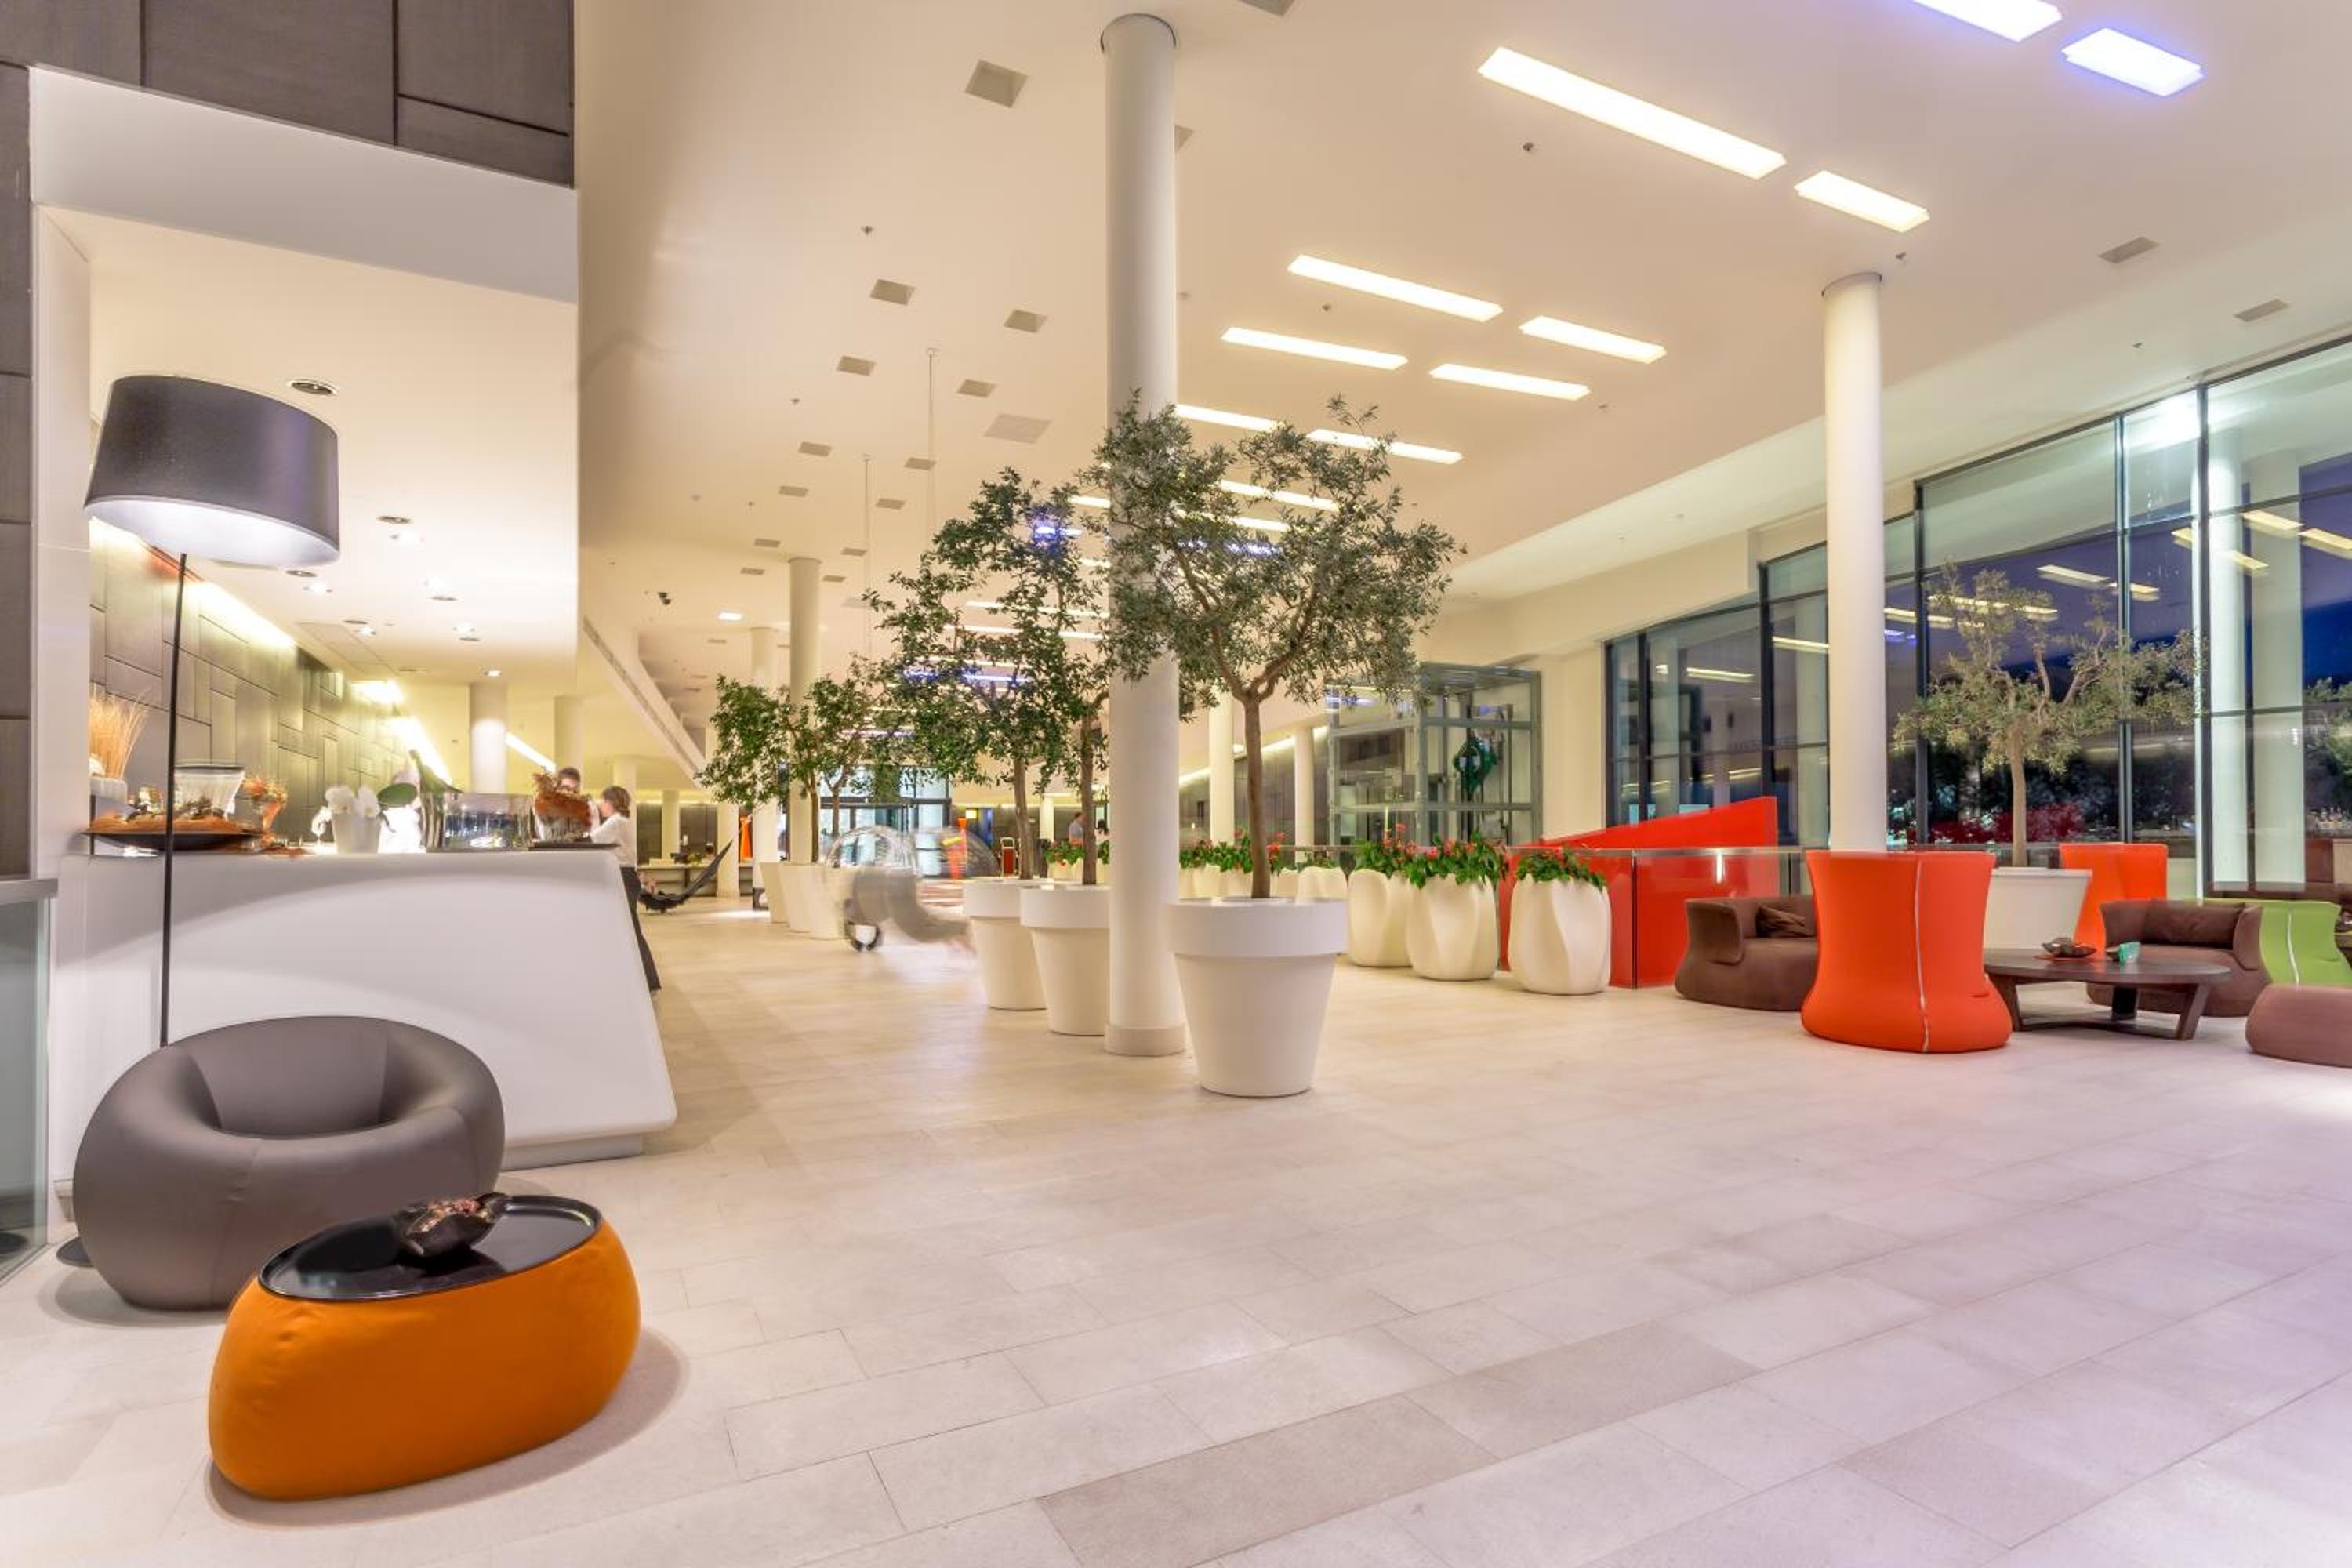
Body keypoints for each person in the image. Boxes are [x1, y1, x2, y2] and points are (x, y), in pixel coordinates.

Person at [590, 785, 661, 993]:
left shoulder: (615, 822)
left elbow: (592, 840)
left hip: (623, 877)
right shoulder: (621, 821)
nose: (601, 805)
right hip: (626, 876)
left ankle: (649, 982)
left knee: (631, 929)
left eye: (603, 801)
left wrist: (592, 818)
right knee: (629, 928)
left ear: (611, 802)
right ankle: (641, 980)